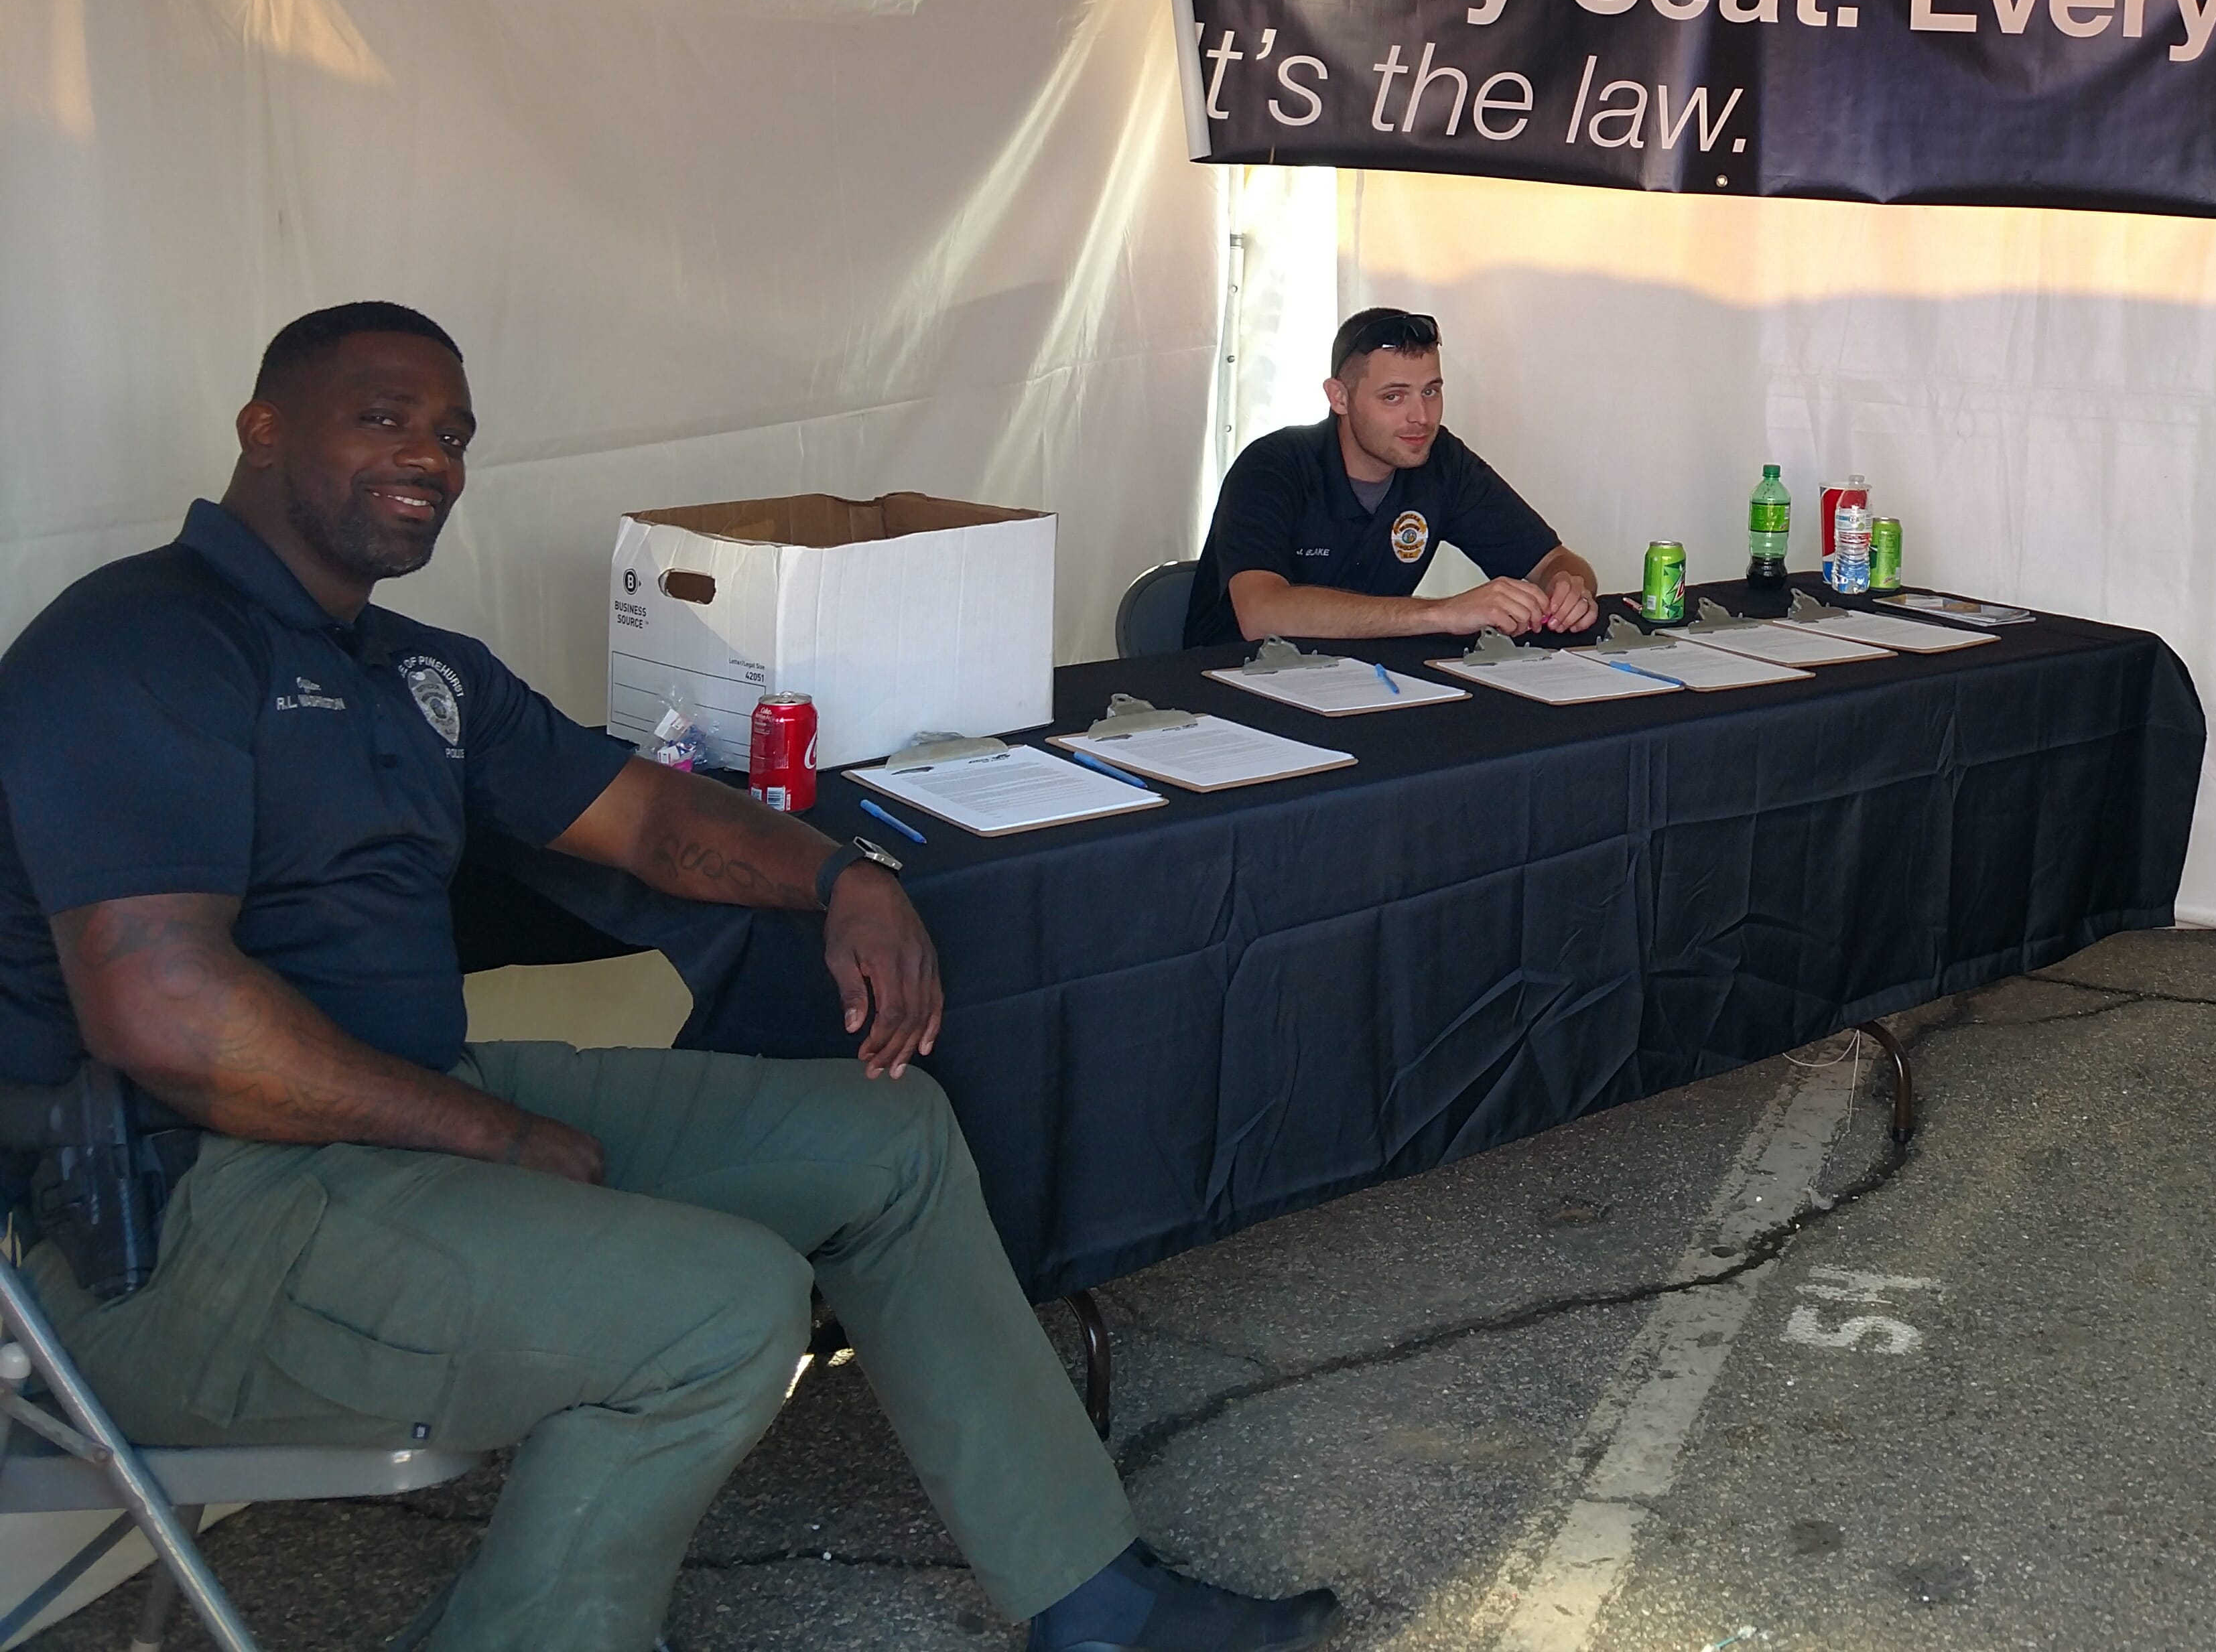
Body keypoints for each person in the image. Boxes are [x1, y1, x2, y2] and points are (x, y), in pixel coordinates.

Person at [0, 304, 1335, 1652]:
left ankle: (1094, 1604)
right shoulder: (142, 644)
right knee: (720, 1311)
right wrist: (493, 1134)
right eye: (384, 417)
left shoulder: (410, 667)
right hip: (177, 1220)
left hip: (390, 1112)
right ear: (262, 428)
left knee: (887, 1137)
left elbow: (644, 815)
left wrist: (843, 876)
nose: (430, 458)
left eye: (453, 434)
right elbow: (166, 1012)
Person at [1182, 305, 1599, 648]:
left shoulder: (1442, 461)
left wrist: (1568, 590)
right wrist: (1442, 613)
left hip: (1369, 683)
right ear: (1339, 398)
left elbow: (1553, 561)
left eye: (1431, 392)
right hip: (1233, 688)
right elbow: (1262, 613)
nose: (1421, 417)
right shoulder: (1273, 465)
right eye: (1393, 397)